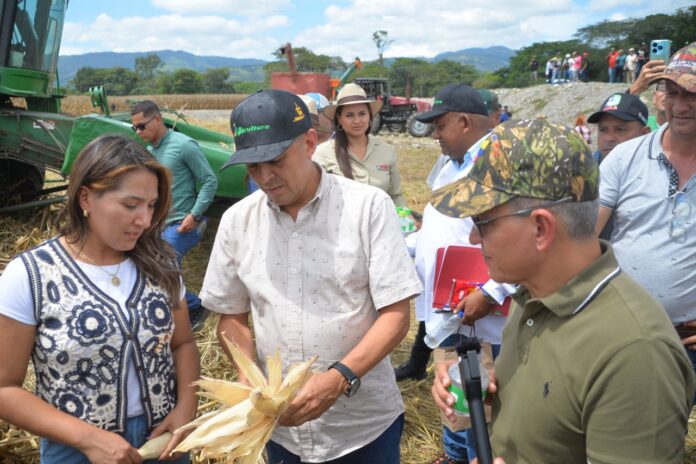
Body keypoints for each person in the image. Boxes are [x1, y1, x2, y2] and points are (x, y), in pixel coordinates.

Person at [431, 118, 695, 464]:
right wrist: (486, 395)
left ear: (541, 227)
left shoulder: (634, 353)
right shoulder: (532, 298)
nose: (474, 238)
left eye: (482, 222)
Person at [200, 89, 422, 464]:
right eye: (253, 167)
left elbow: (397, 315)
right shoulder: (238, 221)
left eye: (276, 160)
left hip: (361, 427)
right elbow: (231, 316)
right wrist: (248, 376)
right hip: (281, 431)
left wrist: (339, 379)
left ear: (309, 142)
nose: (265, 177)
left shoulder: (367, 208)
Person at [0, 135, 200, 463]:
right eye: (130, 205)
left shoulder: (161, 263)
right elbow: (4, 388)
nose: (146, 221)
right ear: (86, 198)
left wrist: (185, 407)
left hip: (164, 443)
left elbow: (183, 344)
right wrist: (89, 439)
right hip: (76, 450)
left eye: (151, 205)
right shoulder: (31, 274)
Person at [397, 83, 515, 464]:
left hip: (483, 316)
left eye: (440, 125)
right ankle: (456, 454)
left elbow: (523, 241)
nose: (434, 135)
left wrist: (493, 292)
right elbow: (437, 229)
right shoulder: (450, 165)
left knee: (486, 406)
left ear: (464, 122)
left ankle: (476, 454)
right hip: (450, 311)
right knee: (453, 396)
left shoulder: (500, 164)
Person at [597, 42, 696, 375]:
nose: (680, 106)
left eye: (692, 95)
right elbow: (581, 239)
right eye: (671, 93)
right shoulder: (625, 158)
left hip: (687, 341)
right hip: (620, 330)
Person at [131, 100, 217, 329]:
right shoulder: (150, 152)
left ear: (157, 119)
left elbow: (209, 180)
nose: (138, 132)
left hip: (182, 223)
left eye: (141, 126)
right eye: (134, 128)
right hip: (157, 223)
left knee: (162, 264)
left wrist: (195, 214)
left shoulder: (184, 145)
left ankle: (196, 306)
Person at [313, 83, 407, 207]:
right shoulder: (322, 154)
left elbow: (395, 196)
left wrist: (406, 218)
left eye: (362, 114)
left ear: (369, 116)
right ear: (339, 119)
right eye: (349, 115)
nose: (357, 121)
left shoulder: (387, 151)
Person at [587, 92, 650, 164]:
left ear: (645, 134)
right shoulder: (581, 172)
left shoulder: (659, 171)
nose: (609, 138)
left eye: (620, 129)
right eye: (603, 130)